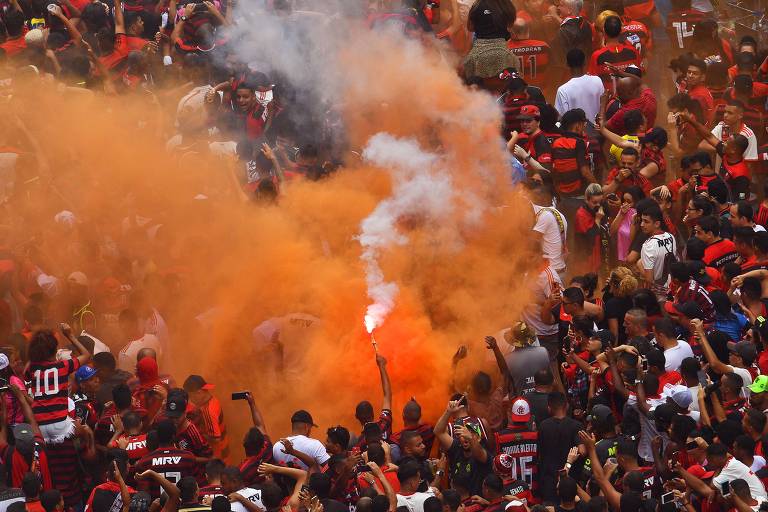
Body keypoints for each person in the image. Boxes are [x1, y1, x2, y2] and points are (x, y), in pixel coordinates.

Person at [638, 206, 677, 299]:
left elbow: (649, 280)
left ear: (657, 224)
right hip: (672, 287)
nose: (642, 225)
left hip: (659, 294)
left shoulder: (648, 245)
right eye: (641, 221)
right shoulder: (671, 236)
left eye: (646, 222)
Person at [555, 49, 604, 122]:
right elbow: (603, 104)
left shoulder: (563, 90)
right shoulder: (597, 81)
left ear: (567, 64)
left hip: (577, 132)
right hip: (598, 129)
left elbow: (562, 117)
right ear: (584, 62)